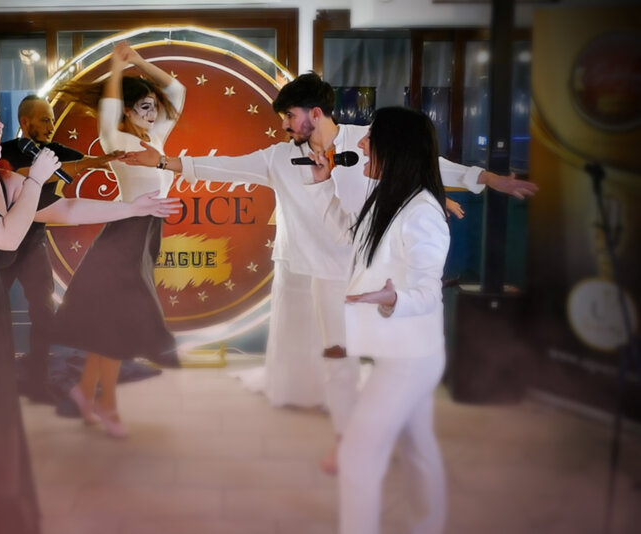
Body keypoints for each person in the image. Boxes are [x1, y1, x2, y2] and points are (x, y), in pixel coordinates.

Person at [121, 72, 538, 468]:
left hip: (363, 265)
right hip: (314, 267)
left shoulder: (366, 142)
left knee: (372, 359)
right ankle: (347, 436)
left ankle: (384, 436)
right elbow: (225, 166)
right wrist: (165, 163)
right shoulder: (279, 157)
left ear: (315, 113)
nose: (284, 125)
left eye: (289, 116)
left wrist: (485, 178)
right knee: (334, 357)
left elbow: (423, 163)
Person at [0, 95, 179, 534]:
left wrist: (133, 208)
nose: (0, 125)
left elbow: (63, 209)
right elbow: (7, 237)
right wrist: (35, 179)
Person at [309, 106, 452, 534]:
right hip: (404, 350)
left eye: (371, 137)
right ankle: (428, 525)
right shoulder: (390, 198)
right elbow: (350, 237)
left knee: (357, 455)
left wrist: (394, 299)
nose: (361, 143)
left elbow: (428, 290)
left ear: (396, 147)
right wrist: (322, 185)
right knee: (419, 450)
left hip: (409, 358)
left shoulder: (422, 212)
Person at [50, 41, 185, 438]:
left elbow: (177, 90)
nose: (152, 113)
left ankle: (85, 391)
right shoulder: (115, 139)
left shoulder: (156, 139)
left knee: (112, 327)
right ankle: (105, 403)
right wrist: (115, 68)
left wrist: (138, 61)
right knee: (119, 324)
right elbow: (109, 108)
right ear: (126, 110)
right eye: (143, 107)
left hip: (144, 236)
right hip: (124, 237)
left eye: (153, 107)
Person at [0, 94, 124, 403]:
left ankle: (37, 381)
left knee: (44, 314)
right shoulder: (4, 152)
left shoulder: (55, 151)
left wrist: (107, 159)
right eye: (45, 120)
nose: (51, 126)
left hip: (33, 245)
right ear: (25, 121)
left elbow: (85, 161)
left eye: (52, 120)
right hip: (1, 244)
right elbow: (7, 177)